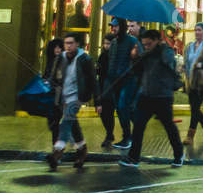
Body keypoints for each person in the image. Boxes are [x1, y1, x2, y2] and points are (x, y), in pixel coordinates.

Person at [121, 28, 185, 168]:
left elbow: (169, 62)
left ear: (157, 41)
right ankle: (133, 157)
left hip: (163, 96)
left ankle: (179, 154)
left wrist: (155, 51)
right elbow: (137, 71)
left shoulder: (166, 51)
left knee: (169, 127)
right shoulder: (146, 54)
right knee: (138, 126)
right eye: (144, 44)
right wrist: (136, 57)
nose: (146, 46)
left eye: (149, 43)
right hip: (146, 95)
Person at [48, 33, 95, 171]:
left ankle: (58, 151)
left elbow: (93, 80)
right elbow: (53, 76)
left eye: (71, 43)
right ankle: (82, 149)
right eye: (66, 43)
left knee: (67, 120)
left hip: (77, 97)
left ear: (77, 44)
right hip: (62, 96)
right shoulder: (60, 57)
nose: (68, 46)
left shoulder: (85, 59)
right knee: (72, 123)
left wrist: (97, 101)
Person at [100, 18, 139, 149]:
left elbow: (137, 60)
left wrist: (129, 69)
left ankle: (128, 137)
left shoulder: (132, 41)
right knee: (121, 109)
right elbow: (111, 61)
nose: (113, 29)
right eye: (112, 26)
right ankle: (130, 134)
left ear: (121, 27)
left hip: (128, 80)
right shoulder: (115, 43)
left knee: (123, 106)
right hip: (115, 81)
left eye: (115, 26)